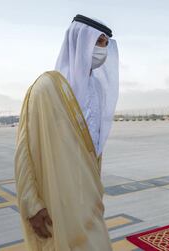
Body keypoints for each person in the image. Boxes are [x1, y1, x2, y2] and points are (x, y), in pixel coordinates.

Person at [14, 14, 119, 250]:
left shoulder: (98, 91)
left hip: (89, 200)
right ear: (80, 41)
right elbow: (25, 152)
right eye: (98, 41)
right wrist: (32, 204)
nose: (102, 49)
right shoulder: (46, 88)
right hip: (56, 199)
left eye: (105, 43)